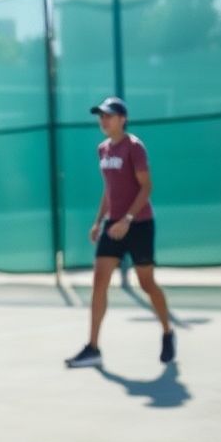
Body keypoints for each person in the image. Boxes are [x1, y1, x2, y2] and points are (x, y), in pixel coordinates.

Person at [65, 96, 175, 369]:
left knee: (147, 283)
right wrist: (98, 221)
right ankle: (93, 348)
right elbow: (110, 189)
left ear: (122, 119)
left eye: (108, 116)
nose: (103, 120)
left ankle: (167, 332)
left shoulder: (134, 148)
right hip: (112, 225)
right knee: (99, 281)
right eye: (100, 116)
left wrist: (127, 219)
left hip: (139, 225)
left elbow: (146, 187)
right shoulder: (102, 149)